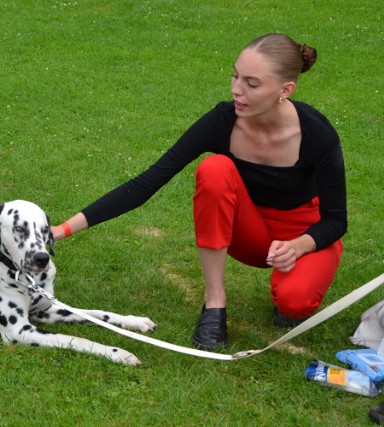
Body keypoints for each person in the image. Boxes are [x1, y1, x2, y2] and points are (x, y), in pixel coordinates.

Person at [51, 33, 347, 351]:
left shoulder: (317, 134)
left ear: (285, 90)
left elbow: (335, 221)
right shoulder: (223, 121)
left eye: (252, 83)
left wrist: (300, 246)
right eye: (235, 76)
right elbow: (146, 184)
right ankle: (214, 304)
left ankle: (288, 297)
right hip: (248, 231)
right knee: (214, 169)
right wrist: (60, 230)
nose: (236, 89)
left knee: (295, 303)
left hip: (302, 232)